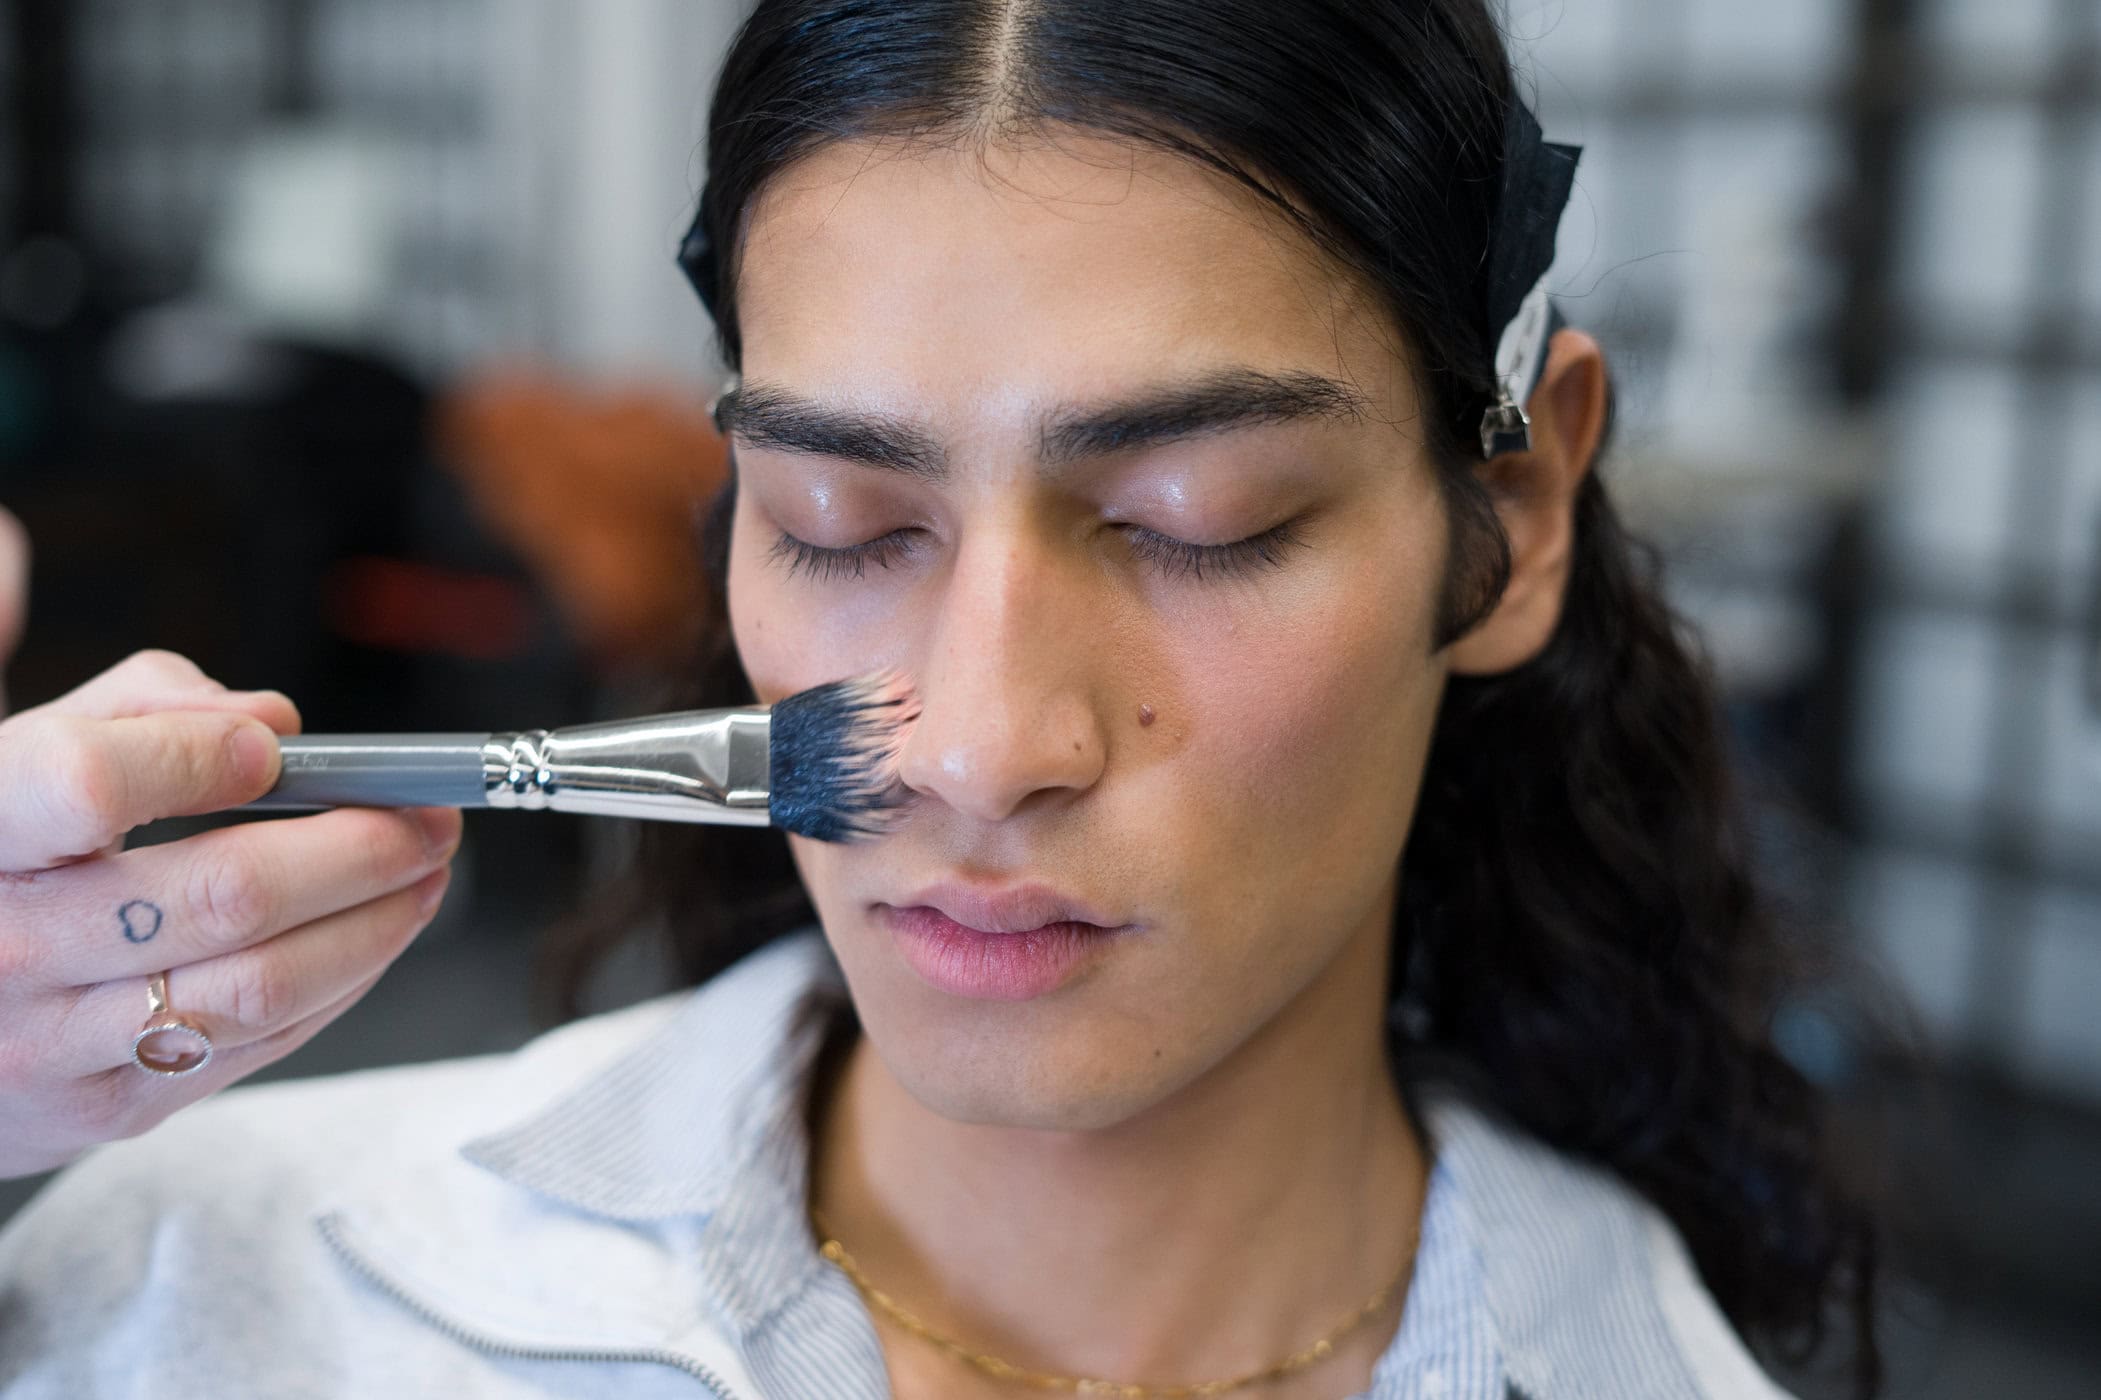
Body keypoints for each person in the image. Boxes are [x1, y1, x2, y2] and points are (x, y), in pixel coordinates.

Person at [0, 2, 1880, 1397]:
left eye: (1197, 523)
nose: (977, 747)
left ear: (1516, 519)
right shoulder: (206, 1294)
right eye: (838, 524)